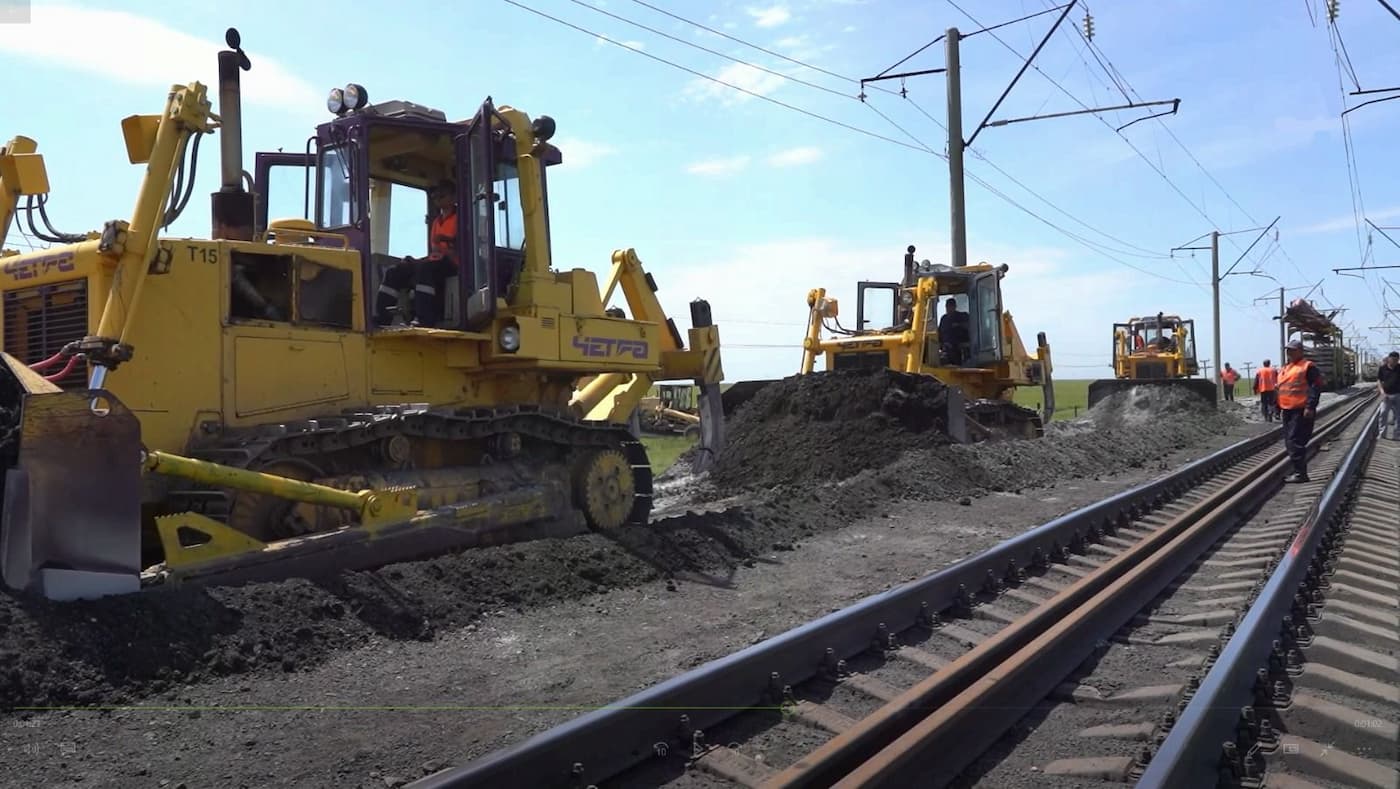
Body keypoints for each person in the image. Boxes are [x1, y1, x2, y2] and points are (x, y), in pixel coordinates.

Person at [375, 179, 459, 327]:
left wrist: (446, 240)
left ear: (453, 197)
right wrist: (415, 261)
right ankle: (382, 316)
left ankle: (424, 318)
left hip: (454, 262)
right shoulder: (436, 221)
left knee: (425, 269)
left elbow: (462, 245)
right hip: (437, 259)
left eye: (442, 196)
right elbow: (435, 249)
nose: (438, 199)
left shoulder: (461, 218)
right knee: (396, 270)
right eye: (435, 196)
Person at [1278, 339, 1324, 483]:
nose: (1289, 352)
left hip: (1301, 410)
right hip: (1287, 410)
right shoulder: (1286, 368)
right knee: (1290, 442)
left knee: (1295, 441)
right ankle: (1299, 471)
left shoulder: (1307, 367)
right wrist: (1276, 406)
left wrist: (1310, 406)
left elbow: (1315, 387)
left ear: (1300, 351)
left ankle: (1300, 474)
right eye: (1288, 350)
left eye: (1292, 350)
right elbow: (1281, 388)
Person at [937, 297, 970, 364]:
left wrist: (958, 325)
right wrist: (941, 344)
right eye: (947, 306)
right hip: (946, 347)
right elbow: (939, 333)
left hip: (960, 346)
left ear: (955, 306)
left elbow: (970, 326)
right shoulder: (944, 319)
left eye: (950, 306)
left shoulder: (962, 316)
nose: (948, 308)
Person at [1378, 351, 1400, 439]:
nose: (1394, 362)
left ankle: (1397, 435)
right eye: (1393, 359)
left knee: (1399, 416)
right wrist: (1382, 392)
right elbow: (1379, 381)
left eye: (1396, 360)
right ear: (1389, 359)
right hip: (1386, 395)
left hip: (1398, 395)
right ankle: (1382, 434)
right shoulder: (1382, 368)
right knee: (1383, 414)